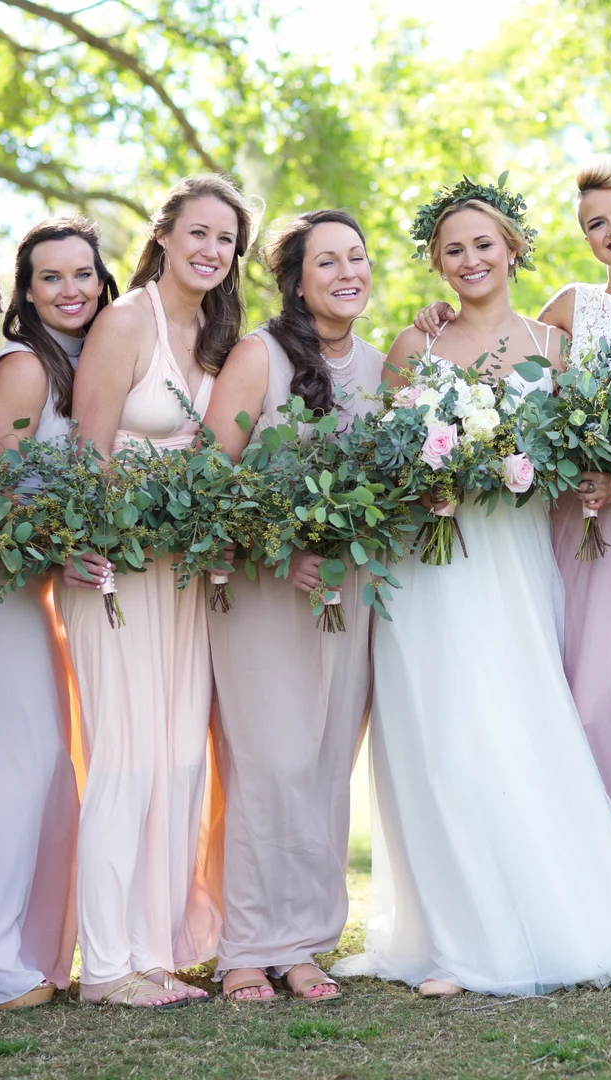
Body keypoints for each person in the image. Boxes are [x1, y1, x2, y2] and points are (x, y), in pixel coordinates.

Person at [333, 177, 611, 997]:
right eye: (452, 250)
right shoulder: (414, 346)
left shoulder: (555, 346)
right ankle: (452, 935)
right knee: (437, 740)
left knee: (516, 730)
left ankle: (534, 927)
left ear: (513, 249)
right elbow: (383, 458)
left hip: (517, 562)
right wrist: (430, 480)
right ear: (436, 263)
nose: (470, 260)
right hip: (431, 566)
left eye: (483, 244)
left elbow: (586, 444)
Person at [414, 158, 611, 913]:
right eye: (595, 223)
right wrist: (434, 318)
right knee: (563, 694)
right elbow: (497, 353)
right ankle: (598, 872)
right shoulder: (569, 308)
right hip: (562, 523)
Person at [64, 173, 256, 1007]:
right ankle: (107, 967)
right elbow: (89, 453)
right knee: (125, 761)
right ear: (165, 235)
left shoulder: (219, 336)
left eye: (226, 240)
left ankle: (154, 948)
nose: (211, 249)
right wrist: (118, 533)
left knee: (179, 760)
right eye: (199, 232)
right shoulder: (125, 323)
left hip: (183, 572)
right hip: (115, 567)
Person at [201, 209, 384, 1003]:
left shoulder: (381, 365)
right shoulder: (259, 357)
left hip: (351, 593)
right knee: (269, 765)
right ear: (297, 283)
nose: (349, 273)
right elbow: (209, 477)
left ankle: (306, 941)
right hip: (262, 591)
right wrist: (283, 550)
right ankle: (247, 947)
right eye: (328, 262)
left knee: (324, 768)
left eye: (357, 257)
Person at [0, 218, 118, 1011]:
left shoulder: (90, 363)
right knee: (12, 770)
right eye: (52, 277)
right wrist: (59, 549)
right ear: (28, 292)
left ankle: (13, 952)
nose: (71, 289)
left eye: (83, 273)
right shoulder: (23, 367)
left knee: (40, 765)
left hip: (32, 591)